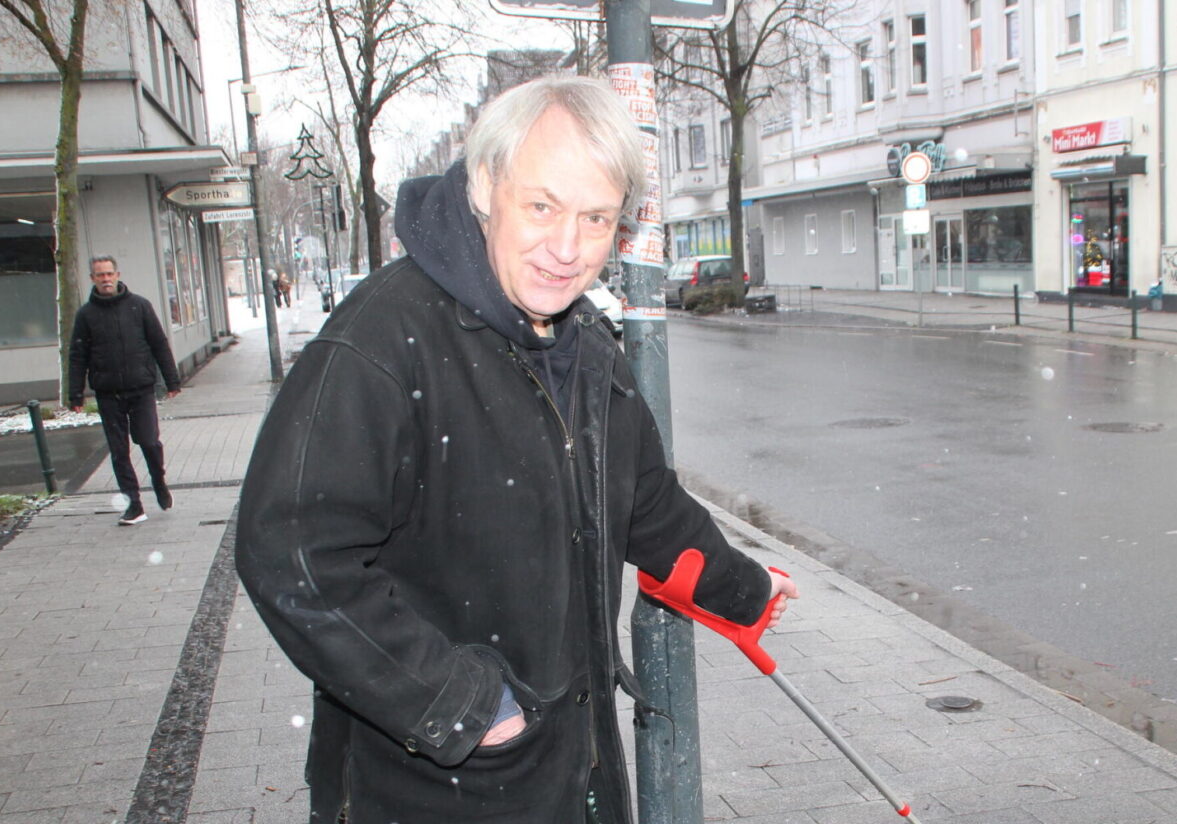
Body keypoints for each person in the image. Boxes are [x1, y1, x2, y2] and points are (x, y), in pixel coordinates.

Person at [234, 76, 799, 824]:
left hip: (574, 776)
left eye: (595, 219)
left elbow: (646, 504)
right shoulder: (383, 337)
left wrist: (744, 590)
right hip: (434, 789)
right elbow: (292, 552)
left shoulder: (588, 346)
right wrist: (463, 705)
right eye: (543, 207)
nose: (567, 249)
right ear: (486, 185)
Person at [68, 255, 180, 525]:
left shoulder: (139, 306)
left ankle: (159, 481)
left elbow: (159, 344)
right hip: (108, 393)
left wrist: (172, 380)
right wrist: (75, 393)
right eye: (100, 275)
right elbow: (77, 355)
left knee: (149, 442)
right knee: (119, 451)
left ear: (117, 275)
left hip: (141, 389)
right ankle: (134, 505)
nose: (105, 279)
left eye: (109, 274)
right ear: (92, 279)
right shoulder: (86, 315)